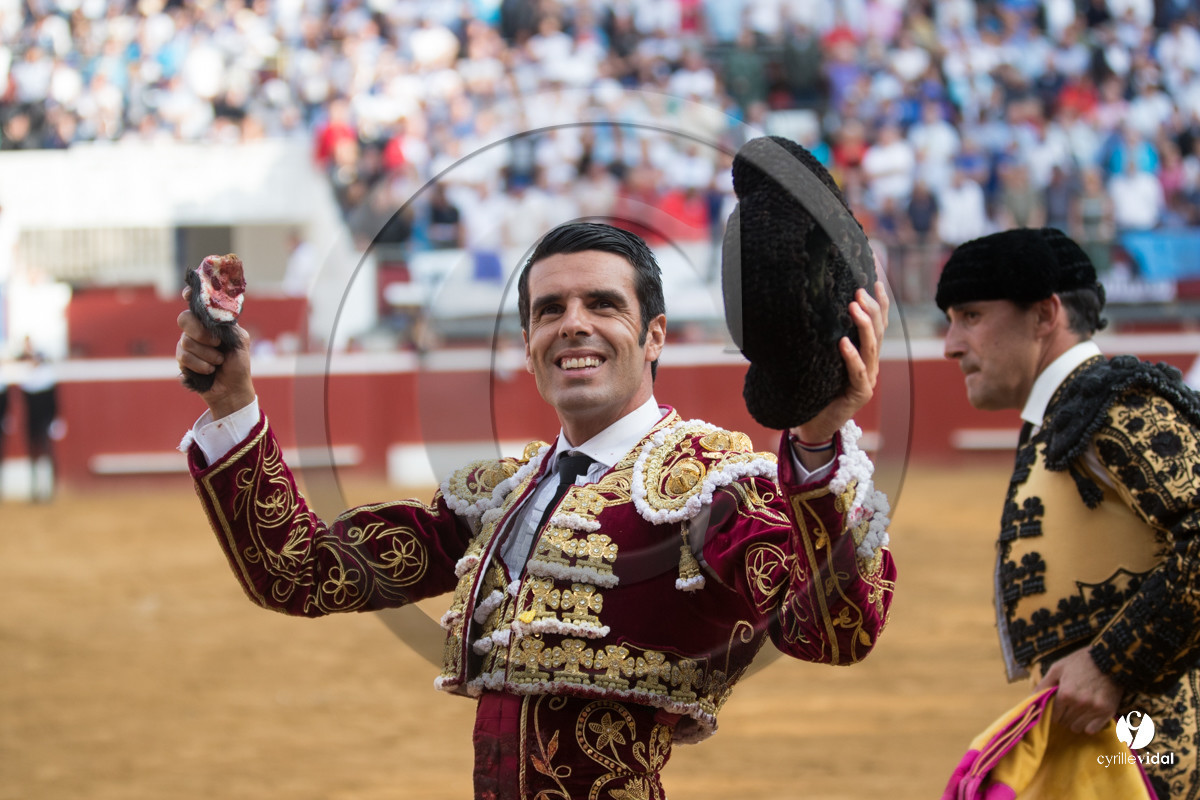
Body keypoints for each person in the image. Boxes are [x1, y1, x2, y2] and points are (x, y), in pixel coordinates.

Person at [175, 221, 896, 798]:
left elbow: (833, 630)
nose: (573, 325)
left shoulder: (712, 482)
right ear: (527, 344)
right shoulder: (503, 493)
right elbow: (297, 571)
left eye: (604, 305)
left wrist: (815, 443)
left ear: (655, 337)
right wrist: (232, 398)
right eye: (550, 310)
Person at [937, 226, 1200, 798]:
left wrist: (1111, 661)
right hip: (1118, 735)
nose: (951, 344)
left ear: (1044, 314)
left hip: (1160, 740)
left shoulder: (1117, 403)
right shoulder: (1067, 413)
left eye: (971, 316)